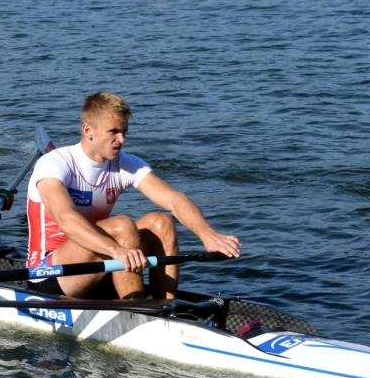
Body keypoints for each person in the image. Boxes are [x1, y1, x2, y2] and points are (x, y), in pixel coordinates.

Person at [26, 92, 240, 300]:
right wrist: (115, 250)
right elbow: (66, 220)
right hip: (48, 272)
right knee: (123, 225)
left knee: (161, 222)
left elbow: (174, 200)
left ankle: (164, 305)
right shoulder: (55, 164)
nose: (122, 139)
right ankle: (135, 309)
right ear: (88, 130)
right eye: (114, 132)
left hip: (101, 261)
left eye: (124, 132)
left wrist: (207, 235)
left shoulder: (124, 164)